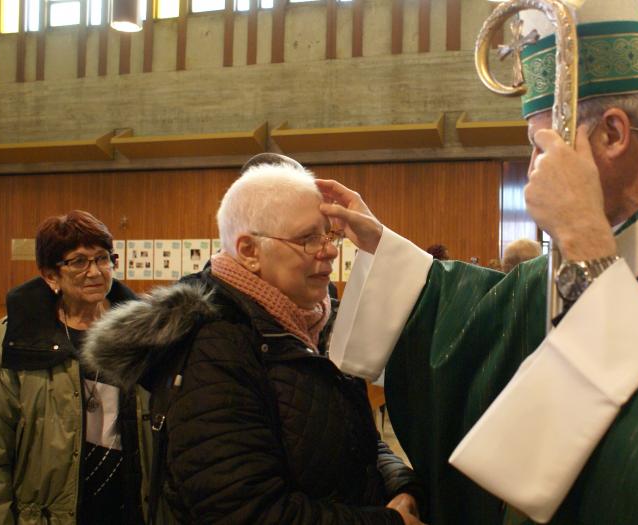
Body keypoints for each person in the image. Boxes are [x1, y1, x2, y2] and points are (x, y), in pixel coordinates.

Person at [320, 1, 638, 523]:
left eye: (540, 144)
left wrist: (582, 239)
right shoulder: (620, 238)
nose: (532, 168)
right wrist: (386, 251)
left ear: (613, 134)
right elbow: (485, 314)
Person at [81, 154, 425, 524]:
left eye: (330, 235)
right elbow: (244, 510)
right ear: (248, 251)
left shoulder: (317, 323)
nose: (329, 251)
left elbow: (359, 440)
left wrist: (401, 488)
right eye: (308, 239)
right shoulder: (213, 347)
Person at [0, 210, 154, 524]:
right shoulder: (15, 338)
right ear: (50, 276)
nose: (96, 271)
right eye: (79, 261)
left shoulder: (142, 332)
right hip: (49, 514)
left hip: (133, 507)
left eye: (102, 258)